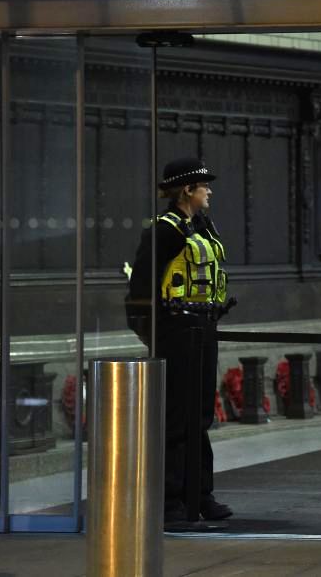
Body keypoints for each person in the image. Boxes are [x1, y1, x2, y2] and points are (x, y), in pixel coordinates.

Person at [126, 158, 233, 526]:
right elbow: (140, 292)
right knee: (175, 419)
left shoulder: (202, 226)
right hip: (176, 331)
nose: (209, 191)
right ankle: (171, 501)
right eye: (204, 186)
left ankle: (200, 495)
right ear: (187, 189)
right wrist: (159, 333)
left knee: (200, 417)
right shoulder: (164, 231)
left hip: (203, 329)